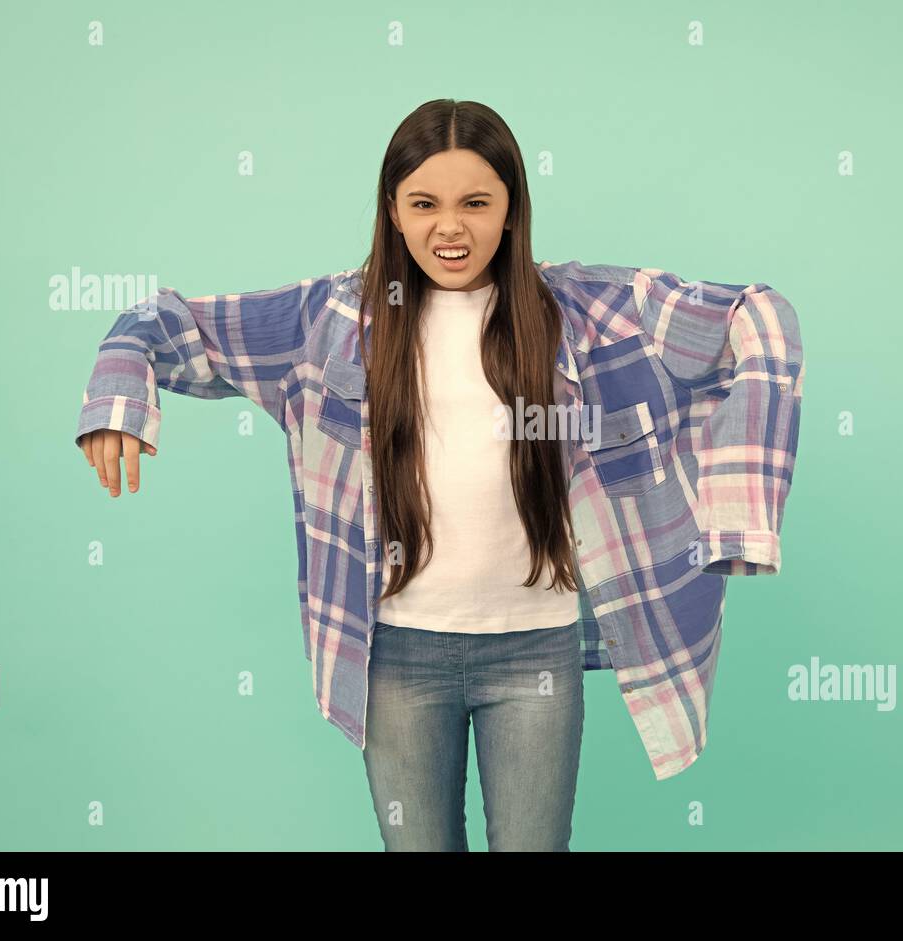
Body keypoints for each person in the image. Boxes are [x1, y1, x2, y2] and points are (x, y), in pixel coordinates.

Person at [79, 99, 586, 851]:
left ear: (511, 208)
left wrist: (740, 503)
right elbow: (166, 322)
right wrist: (119, 398)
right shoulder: (328, 321)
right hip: (398, 656)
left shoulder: (574, 310)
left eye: (476, 202)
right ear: (393, 209)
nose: (451, 228)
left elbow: (744, 319)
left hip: (537, 651)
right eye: (425, 204)